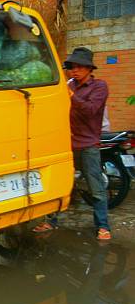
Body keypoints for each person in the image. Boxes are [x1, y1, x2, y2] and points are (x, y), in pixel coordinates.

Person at [33, 47, 111, 240]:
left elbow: (90, 110)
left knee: (96, 188)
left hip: (88, 146)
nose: (74, 71)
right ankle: (50, 221)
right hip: (65, 144)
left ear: (89, 68)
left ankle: (103, 226)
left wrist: (71, 96)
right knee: (59, 184)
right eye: (71, 67)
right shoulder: (68, 85)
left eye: (79, 67)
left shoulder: (99, 87)